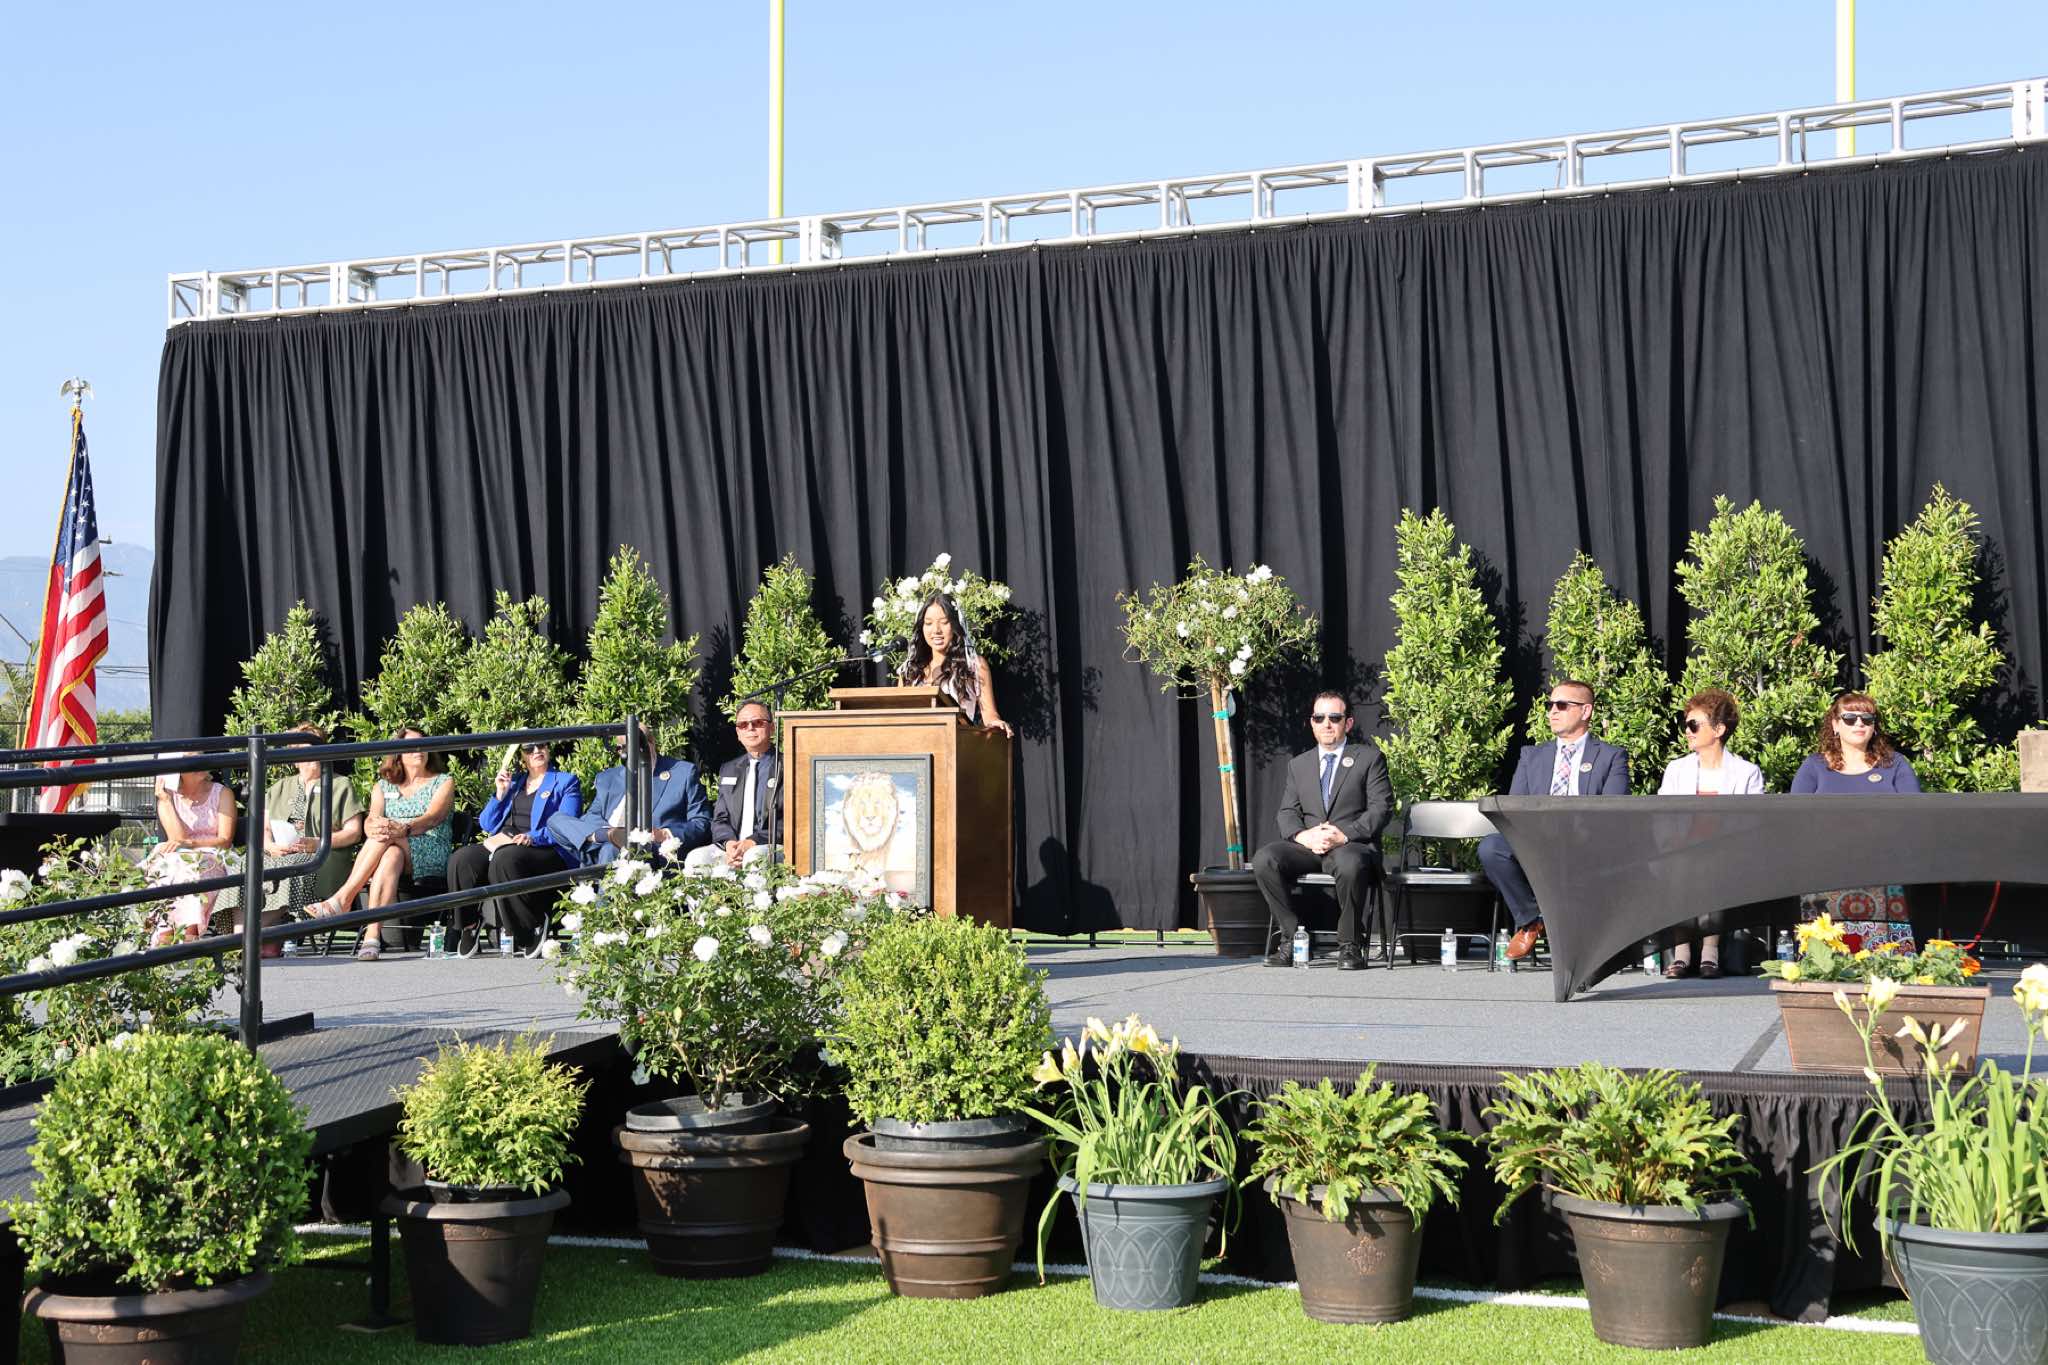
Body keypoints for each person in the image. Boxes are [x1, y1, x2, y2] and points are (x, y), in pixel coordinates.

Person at [1478, 679, 1630, 961]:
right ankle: (1532, 921)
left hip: (1585, 843)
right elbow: (1515, 806)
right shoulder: (1532, 755)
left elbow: (1614, 810)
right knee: (1492, 847)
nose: (1552, 712)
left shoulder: (1610, 756)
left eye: (1561, 705)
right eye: (1550, 705)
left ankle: (1575, 933)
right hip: (1538, 841)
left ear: (1585, 711)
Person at [1250, 690, 1394, 971]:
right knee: (1264, 859)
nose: (1327, 724)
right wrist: (1304, 836)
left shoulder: (1369, 758)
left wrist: (1345, 834)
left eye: (1334, 718)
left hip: (1350, 844)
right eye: (1320, 718)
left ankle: (1350, 945)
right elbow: (1287, 813)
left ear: (1348, 723)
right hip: (1309, 846)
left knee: (1350, 863)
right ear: (1312, 723)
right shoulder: (1299, 764)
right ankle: (1293, 939)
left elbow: (1381, 808)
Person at [310, 727, 452, 960]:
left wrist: (402, 829)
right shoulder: (383, 786)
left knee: (386, 836)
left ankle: (343, 898)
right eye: (412, 746)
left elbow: (432, 818)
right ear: (398, 753)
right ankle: (372, 937)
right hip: (392, 848)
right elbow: (371, 822)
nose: (419, 750)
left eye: (423, 744)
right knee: (390, 854)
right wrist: (375, 827)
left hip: (429, 847)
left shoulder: (443, 782)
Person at [1655, 689, 1764, 978]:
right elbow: (1662, 817)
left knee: (1711, 863)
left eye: (1694, 725)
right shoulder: (1676, 769)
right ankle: (1683, 953)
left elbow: (1752, 824)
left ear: (1719, 730)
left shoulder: (1746, 772)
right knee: (1682, 863)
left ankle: (1709, 952)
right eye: (1686, 725)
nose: (1687, 731)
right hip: (1681, 851)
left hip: (1727, 853)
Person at [447, 740, 582, 952]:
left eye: (541, 745)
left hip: (545, 848)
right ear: (522, 756)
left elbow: (567, 824)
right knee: (462, 859)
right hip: (507, 841)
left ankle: (530, 927)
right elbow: (487, 823)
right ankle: (469, 925)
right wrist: (500, 793)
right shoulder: (515, 782)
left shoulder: (565, 782)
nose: (536, 750)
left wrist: (532, 837)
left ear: (548, 749)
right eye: (529, 748)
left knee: (506, 858)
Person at [244, 726, 365, 956]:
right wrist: (269, 845)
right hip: (279, 852)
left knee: (294, 865)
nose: (312, 755)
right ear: (294, 757)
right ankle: (247, 936)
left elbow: (354, 832)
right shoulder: (280, 787)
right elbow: (263, 828)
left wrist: (318, 842)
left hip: (323, 857)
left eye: (316, 747)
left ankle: (255, 936)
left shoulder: (340, 785)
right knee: (245, 864)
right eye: (305, 749)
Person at [547, 723, 711, 865]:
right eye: (621, 748)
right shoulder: (607, 778)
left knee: (610, 850)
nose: (628, 753)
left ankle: (616, 842)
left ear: (651, 743)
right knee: (555, 820)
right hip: (602, 842)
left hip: (647, 850)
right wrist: (608, 834)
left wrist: (664, 834)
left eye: (634, 745)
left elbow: (701, 822)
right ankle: (612, 835)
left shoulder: (682, 773)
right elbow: (592, 817)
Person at [896, 593, 1013, 737]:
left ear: (955, 624)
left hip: (957, 742)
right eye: (928, 623)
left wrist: (995, 722)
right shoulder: (909, 670)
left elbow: (989, 714)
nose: (936, 630)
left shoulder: (974, 665)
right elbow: (898, 717)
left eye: (944, 622)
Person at [146, 762, 238, 944]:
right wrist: (166, 801)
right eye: (191, 762)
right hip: (180, 856)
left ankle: (189, 934)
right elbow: (177, 839)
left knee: (191, 868)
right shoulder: (168, 797)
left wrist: (193, 844)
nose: (199, 764)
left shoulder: (222, 793)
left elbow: (225, 840)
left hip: (215, 854)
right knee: (168, 867)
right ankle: (165, 932)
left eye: (200, 759)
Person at [1790, 692, 1921, 793]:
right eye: (1850, 718)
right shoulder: (1814, 766)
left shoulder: (1895, 764)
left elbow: (1913, 812)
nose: (1859, 723)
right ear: (1835, 725)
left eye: (1867, 718)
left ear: (1873, 726)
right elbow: (1796, 814)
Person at [711, 700, 782, 866]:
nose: (750, 728)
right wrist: (729, 843)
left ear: (772, 728)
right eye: (743, 724)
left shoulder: (787, 766)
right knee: (697, 858)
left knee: (753, 857)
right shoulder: (729, 769)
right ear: (738, 732)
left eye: (757, 723)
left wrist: (753, 841)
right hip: (732, 847)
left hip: (769, 844)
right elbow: (720, 818)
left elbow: (790, 819)